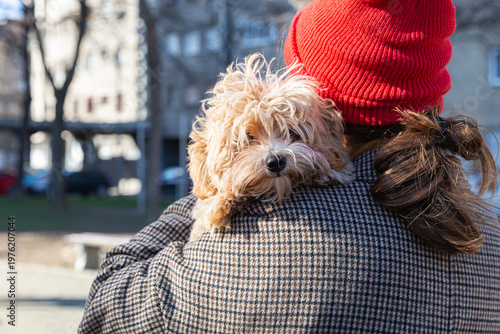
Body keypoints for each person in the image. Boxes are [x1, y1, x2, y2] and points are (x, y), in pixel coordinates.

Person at [78, 0, 500, 332]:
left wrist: (212, 179)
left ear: (320, 106)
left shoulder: (255, 239)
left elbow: (106, 305)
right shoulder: (488, 234)